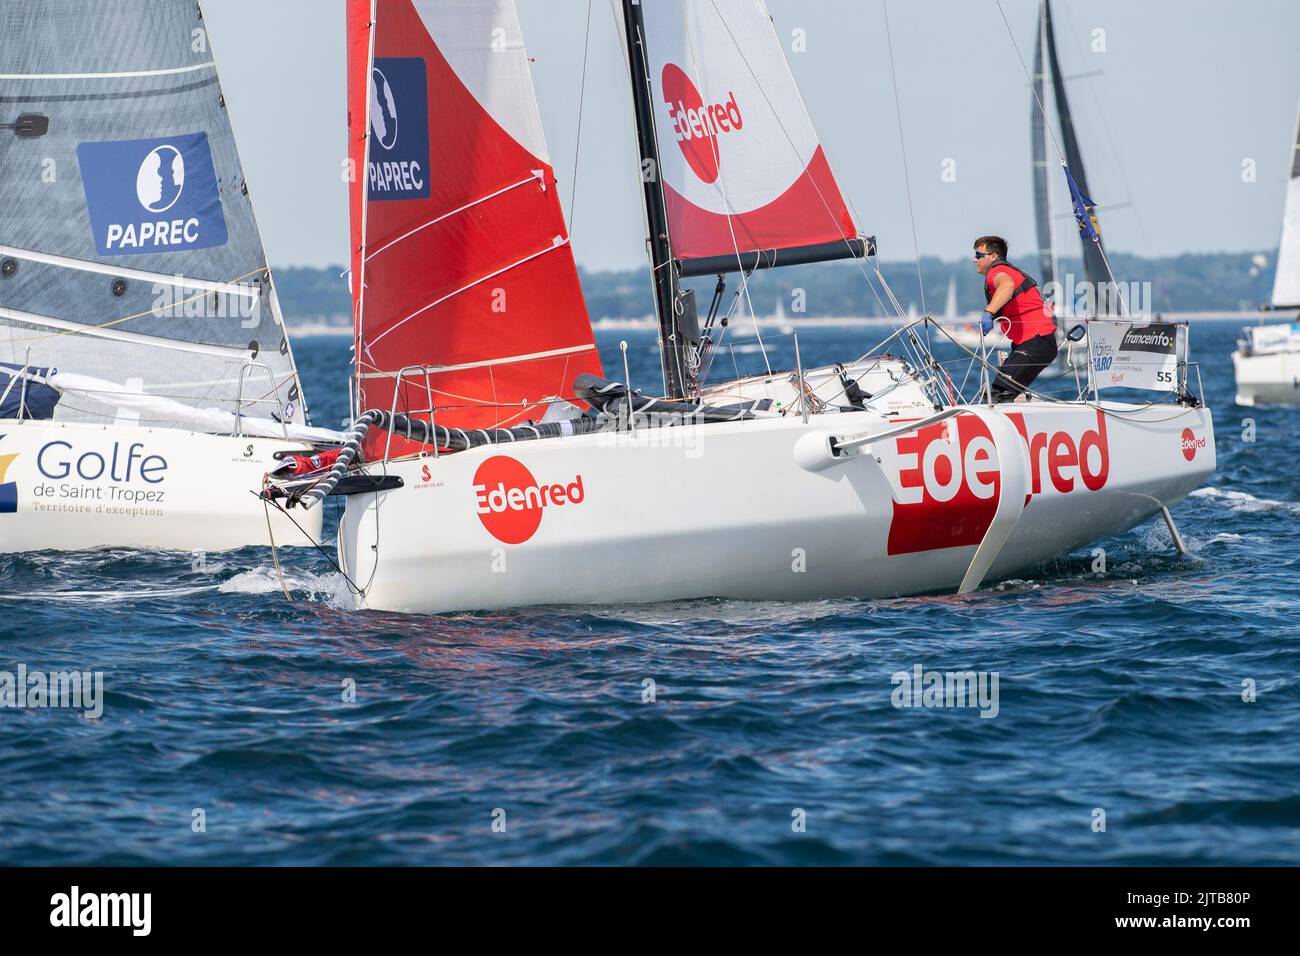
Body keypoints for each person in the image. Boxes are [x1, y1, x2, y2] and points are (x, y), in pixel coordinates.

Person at [973, 235, 1059, 402]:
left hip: (1036, 341)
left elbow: (1007, 285)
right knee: (1001, 392)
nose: (974, 260)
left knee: (998, 393)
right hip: (1035, 342)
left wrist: (989, 312)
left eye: (978, 255)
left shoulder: (996, 272)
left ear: (993, 257)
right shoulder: (1006, 270)